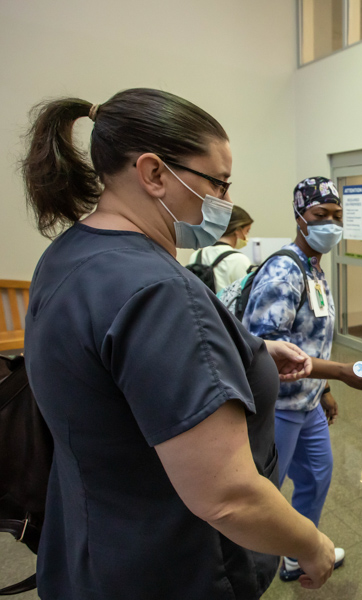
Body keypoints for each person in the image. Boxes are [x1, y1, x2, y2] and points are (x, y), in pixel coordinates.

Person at [21, 88, 336, 600]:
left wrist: (248, 351)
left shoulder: (70, 254)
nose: (226, 203)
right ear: (153, 173)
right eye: (219, 183)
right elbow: (229, 494)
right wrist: (311, 544)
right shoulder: (159, 291)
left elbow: (122, 375)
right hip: (172, 569)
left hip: (93, 549)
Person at [243, 176, 362, 582]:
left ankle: (296, 552)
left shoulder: (314, 269)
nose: (330, 224)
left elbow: (312, 338)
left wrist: (325, 390)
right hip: (279, 405)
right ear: (300, 217)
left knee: (317, 475)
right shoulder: (284, 270)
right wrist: (340, 371)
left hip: (308, 403)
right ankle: (247, 571)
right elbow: (266, 348)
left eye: (337, 216)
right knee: (266, 493)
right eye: (321, 215)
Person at [188, 205, 255, 291]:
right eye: (247, 231)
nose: (247, 236)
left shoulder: (196, 255)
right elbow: (246, 295)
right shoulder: (239, 259)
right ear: (237, 230)